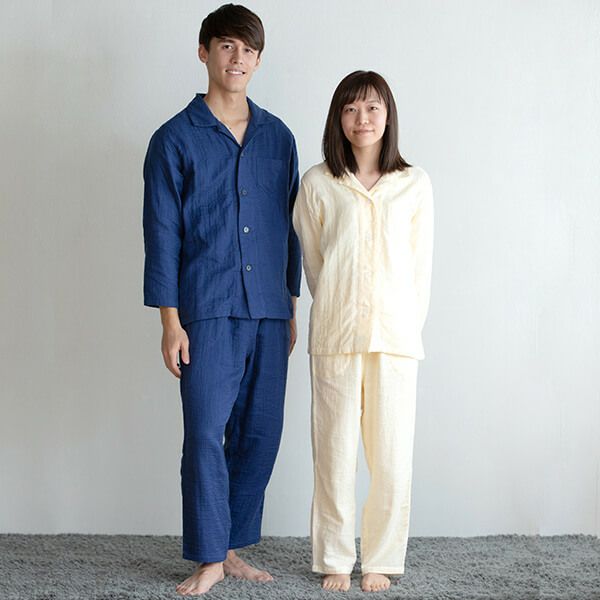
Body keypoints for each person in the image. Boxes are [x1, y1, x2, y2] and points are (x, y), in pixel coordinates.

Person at [142, 4, 301, 596]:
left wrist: (291, 304)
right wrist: (170, 321)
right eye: (227, 46)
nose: (238, 58)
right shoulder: (173, 139)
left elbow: (291, 228)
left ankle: (230, 547)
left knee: (261, 432)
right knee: (207, 432)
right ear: (204, 51)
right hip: (205, 308)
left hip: (269, 310)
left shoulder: (278, 137)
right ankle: (209, 556)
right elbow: (162, 234)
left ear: (259, 60)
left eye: (248, 49)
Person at [292, 70, 434, 593]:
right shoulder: (318, 183)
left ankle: (381, 558)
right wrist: (338, 305)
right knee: (333, 454)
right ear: (338, 118)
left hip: (395, 339)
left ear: (388, 115)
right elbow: (314, 263)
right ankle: (334, 557)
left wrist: (403, 324)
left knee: (391, 456)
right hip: (336, 336)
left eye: (372, 107)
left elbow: (420, 269)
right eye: (351, 109)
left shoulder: (414, 183)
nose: (362, 119)